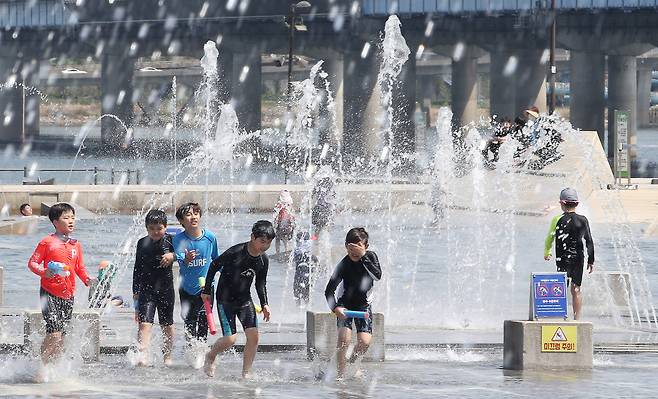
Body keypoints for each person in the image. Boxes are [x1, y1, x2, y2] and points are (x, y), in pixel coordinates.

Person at [202, 220, 274, 378]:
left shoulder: (263, 260)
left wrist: (265, 304)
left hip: (244, 300)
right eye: (262, 241)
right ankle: (211, 355)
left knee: (254, 336)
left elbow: (260, 283)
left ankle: (246, 372)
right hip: (225, 300)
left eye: (268, 243)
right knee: (230, 339)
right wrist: (207, 289)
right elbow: (214, 265)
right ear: (252, 237)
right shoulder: (236, 252)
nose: (265, 246)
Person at [27, 203, 92, 365]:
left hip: (68, 295)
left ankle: (54, 368)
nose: (71, 221)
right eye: (66, 218)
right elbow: (32, 263)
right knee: (54, 333)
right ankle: (42, 367)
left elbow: (79, 267)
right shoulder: (47, 242)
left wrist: (87, 280)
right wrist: (44, 272)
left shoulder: (75, 244)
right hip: (49, 292)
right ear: (55, 222)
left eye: (73, 217)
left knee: (62, 335)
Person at [325, 227, 382, 379]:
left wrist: (363, 256)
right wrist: (335, 308)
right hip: (345, 306)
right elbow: (328, 291)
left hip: (364, 306)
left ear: (366, 247)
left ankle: (352, 364)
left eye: (359, 247)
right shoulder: (343, 264)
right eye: (351, 248)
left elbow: (377, 276)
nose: (354, 252)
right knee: (344, 339)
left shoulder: (370, 257)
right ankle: (340, 374)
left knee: (364, 342)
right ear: (346, 247)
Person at [132, 209, 176, 366]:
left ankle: (167, 356)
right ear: (146, 228)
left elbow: (185, 255)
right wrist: (135, 291)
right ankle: (142, 355)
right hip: (147, 289)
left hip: (166, 289)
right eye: (152, 228)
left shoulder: (171, 241)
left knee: (167, 325)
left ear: (165, 227)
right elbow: (137, 268)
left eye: (159, 228)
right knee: (144, 323)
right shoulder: (142, 243)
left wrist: (173, 256)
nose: (156, 232)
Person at [172, 202, 220, 346]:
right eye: (188, 215)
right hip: (186, 287)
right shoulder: (178, 239)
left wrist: (229, 275)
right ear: (181, 221)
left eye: (196, 213)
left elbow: (216, 259)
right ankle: (191, 350)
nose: (193, 217)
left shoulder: (210, 237)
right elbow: (180, 260)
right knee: (190, 321)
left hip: (206, 286)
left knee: (205, 319)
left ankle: (201, 350)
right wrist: (186, 259)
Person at [544, 188, 595, 320]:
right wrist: (591, 260)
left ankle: (562, 316)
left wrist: (547, 251)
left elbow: (550, 237)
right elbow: (589, 241)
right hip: (578, 258)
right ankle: (577, 318)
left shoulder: (557, 219)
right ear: (577, 204)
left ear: (561, 203)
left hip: (563, 259)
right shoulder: (583, 220)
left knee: (561, 287)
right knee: (576, 288)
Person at [292, 231, 318, 305]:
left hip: (299, 273)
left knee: (297, 290)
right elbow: (314, 237)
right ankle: (308, 306)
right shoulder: (310, 243)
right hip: (308, 272)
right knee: (308, 290)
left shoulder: (297, 248)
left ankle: (298, 306)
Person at [273, 190, 296, 255]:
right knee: (285, 238)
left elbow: (276, 216)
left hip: (281, 224)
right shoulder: (290, 205)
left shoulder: (279, 205)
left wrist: (274, 224)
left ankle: (277, 252)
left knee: (277, 238)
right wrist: (293, 224)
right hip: (288, 224)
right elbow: (293, 216)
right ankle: (287, 251)